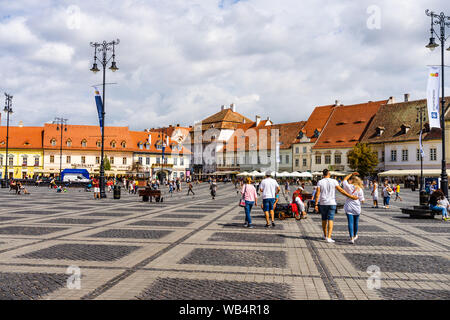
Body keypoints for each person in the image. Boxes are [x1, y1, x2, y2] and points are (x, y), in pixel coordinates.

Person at [314, 169, 358, 243]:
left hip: (323, 203)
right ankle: (329, 237)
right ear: (328, 174)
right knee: (330, 219)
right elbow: (341, 190)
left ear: (323, 174)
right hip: (331, 203)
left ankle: (325, 235)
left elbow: (317, 193)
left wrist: (316, 204)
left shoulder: (320, 182)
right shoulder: (334, 181)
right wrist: (350, 196)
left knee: (324, 219)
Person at [343, 173, 365, 244]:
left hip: (349, 206)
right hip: (357, 207)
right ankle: (355, 235)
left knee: (350, 222)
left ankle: (351, 238)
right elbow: (362, 200)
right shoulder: (360, 189)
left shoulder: (348, 187)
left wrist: (351, 174)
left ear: (352, 180)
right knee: (356, 222)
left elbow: (344, 180)